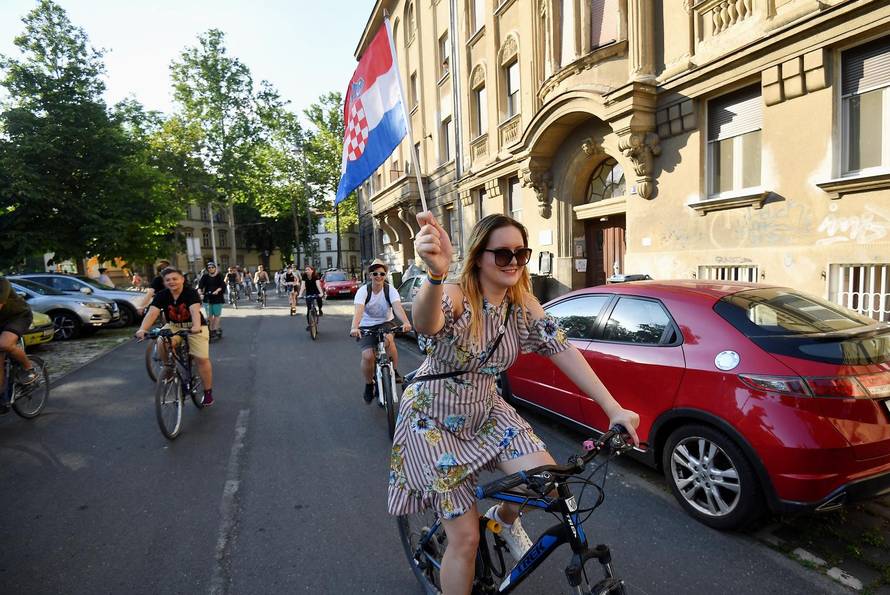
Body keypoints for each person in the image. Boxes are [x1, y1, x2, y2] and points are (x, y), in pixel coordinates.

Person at [388, 213, 640, 595]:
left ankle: (504, 520)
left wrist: (613, 408)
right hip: (433, 421)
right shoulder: (457, 294)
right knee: (466, 541)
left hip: (486, 409)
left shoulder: (523, 305)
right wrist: (436, 275)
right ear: (478, 256)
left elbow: (564, 351)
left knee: (550, 483)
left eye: (521, 254)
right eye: (502, 254)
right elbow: (426, 322)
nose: (513, 263)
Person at [135, 268, 215, 406]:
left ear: (182, 279)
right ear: (164, 283)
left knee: (202, 359)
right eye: (168, 280)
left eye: (174, 279)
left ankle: (208, 392)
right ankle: (169, 369)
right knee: (161, 340)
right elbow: (152, 313)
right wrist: (143, 329)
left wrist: (195, 327)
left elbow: (194, 310)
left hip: (194, 326)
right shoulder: (162, 295)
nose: (171, 282)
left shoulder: (190, 293)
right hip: (174, 325)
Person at [349, 260, 412, 403]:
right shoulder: (363, 291)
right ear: (370, 275)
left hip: (385, 322)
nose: (379, 276)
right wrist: (354, 327)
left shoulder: (390, 290)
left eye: (382, 273)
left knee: (389, 342)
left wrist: (406, 322)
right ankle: (368, 384)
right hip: (366, 325)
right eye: (375, 273)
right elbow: (358, 311)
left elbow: (397, 307)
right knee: (368, 356)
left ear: (385, 275)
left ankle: (394, 371)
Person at [0, 277, 38, 412]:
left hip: (18, 317)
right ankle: (2, 397)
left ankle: (29, 369)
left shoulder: (2, 282)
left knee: (4, 344)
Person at [198, 262, 226, 339]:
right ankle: (210, 330)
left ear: (215, 268)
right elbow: (200, 286)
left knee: (216, 315)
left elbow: (222, 286)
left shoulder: (219, 276)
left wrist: (217, 291)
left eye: (212, 267)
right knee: (209, 315)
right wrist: (200, 293)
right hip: (208, 297)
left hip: (217, 297)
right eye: (209, 268)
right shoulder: (205, 276)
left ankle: (214, 329)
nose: (210, 269)